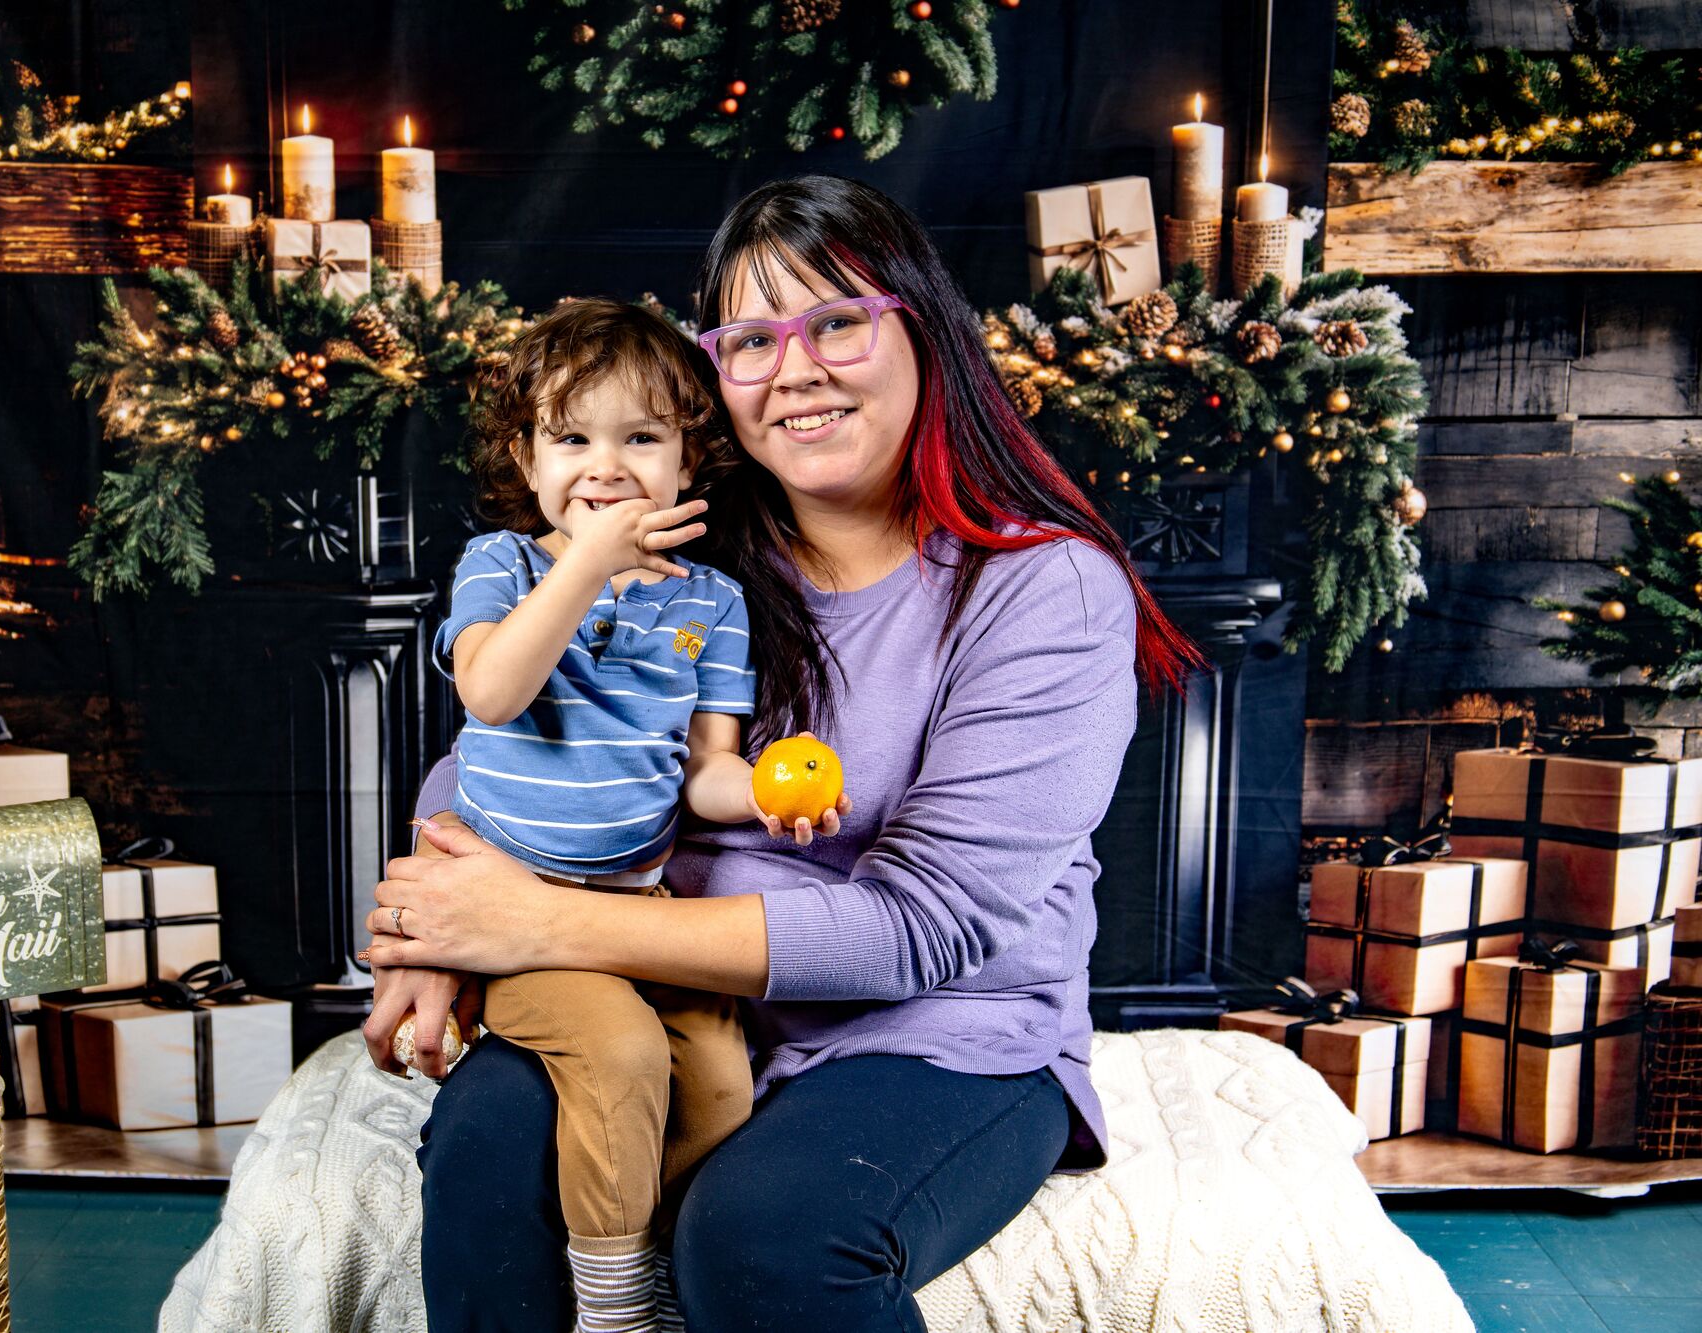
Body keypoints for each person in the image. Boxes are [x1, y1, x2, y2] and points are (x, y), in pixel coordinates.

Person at [361, 176, 1207, 1332]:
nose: (794, 370)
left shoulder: (1043, 591)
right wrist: (432, 918)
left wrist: (534, 923)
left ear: (924, 332)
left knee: (760, 1238)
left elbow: (924, 926)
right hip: (667, 998)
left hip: (935, 1035)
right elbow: (510, 737)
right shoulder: (685, 566)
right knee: (483, 1153)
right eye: (751, 340)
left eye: (837, 322)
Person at [409, 296, 849, 1333]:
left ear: (690, 460)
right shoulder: (504, 564)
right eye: (571, 439)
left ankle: (639, 1245)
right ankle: (616, 1308)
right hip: (510, 912)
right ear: (525, 460)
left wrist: (765, 793)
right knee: (620, 1054)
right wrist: (585, 563)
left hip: (636, 907)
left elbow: (703, 771)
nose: (604, 468)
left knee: (719, 1083)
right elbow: (492, 693)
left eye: (640, 438)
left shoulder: (711, 602)